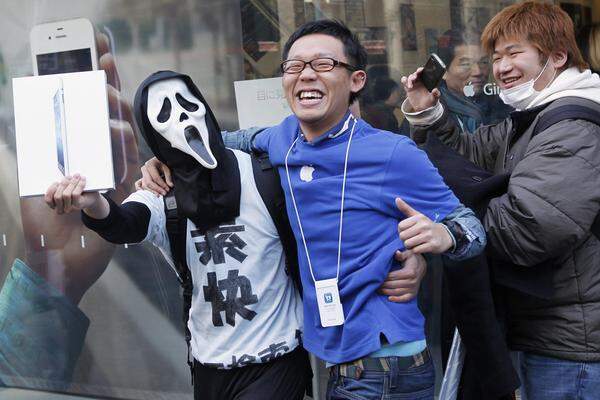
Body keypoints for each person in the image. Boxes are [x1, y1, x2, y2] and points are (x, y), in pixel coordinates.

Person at [141, 19, 486, 400]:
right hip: (333, 362)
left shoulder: (393, 153)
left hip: (385, 368)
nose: (306, 75)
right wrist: (163, 160)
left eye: (323, 64)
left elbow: (471, 229)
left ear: (355, 80)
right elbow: (210, 141)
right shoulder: (280, 138)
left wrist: (442, 237)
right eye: (294, 66)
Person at [401, 2, 600, 399]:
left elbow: (529, 229)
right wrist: (429, 113)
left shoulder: (573, 127)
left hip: (571, 347)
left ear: (557, 57)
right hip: (544, 331)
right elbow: (468, 152)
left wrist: (453, 231)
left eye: (514, 53)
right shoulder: (533, 116)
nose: (501, 67)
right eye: (496, 57)